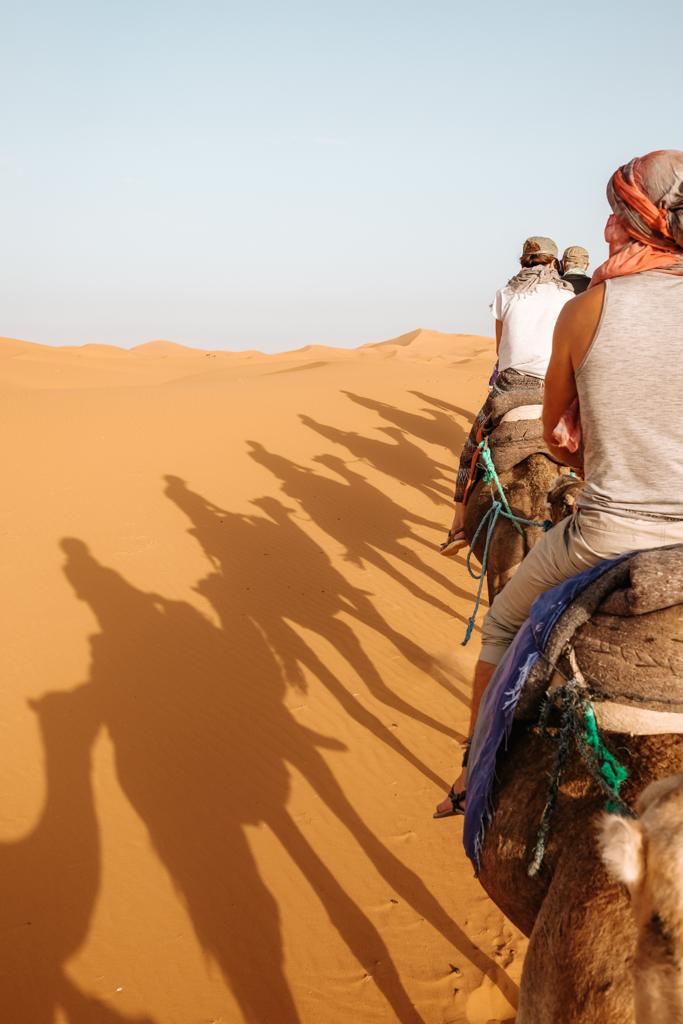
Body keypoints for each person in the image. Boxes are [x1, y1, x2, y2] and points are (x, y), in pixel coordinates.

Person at [435, 149, 683, 817]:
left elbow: (557, 438)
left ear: (633, 221)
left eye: (615, 213)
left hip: (608, 535)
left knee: (502, 623)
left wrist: (595, 461)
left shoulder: (586, 308)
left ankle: (469, 773)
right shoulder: (570, 296)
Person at [440, 236, 573, 556]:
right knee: (588, 446)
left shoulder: (506, 294)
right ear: (554, 263)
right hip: (555, 387)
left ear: (523, 261)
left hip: (510, 388)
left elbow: (501, 351)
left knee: (471, 452)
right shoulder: (567, 296)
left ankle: (458, 524)